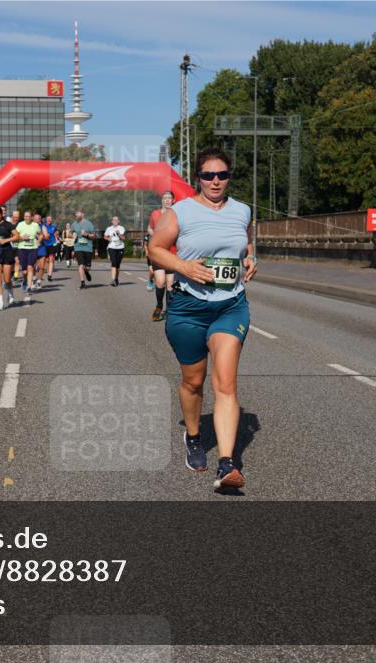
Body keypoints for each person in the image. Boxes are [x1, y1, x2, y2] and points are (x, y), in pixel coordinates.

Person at [149, 147, 257, 490]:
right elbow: (155, 249)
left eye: (222, 175)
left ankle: (226, 465)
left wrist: (250, 259)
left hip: (230, 305)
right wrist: (184, 267)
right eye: (208, 175)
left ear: (229, 177)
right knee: (193, 382)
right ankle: (194, 437)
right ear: (198, 178)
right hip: (188, 307)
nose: (215, 181)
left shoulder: (242, 210)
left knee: (225, 384)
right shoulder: (180, 212)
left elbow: (245, 244)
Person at [147, 191, 177, 321]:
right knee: (160, 281)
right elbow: (149, 228)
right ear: (162, 200)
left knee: (170, 284)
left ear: (173, 200)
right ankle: (159, 305)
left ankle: (169, 310)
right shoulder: (155, 214)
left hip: (172, 253)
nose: (167, 200)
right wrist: (155, 235)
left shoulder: (177, 214)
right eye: (165, 198)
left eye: (169, 198)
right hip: (158, 252)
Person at [15, 210, 43, 304]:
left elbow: (40, 234)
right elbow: (15, 236)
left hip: (33, 249)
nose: (26, 218)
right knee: (24, 271)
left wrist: (39, 240)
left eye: (28, 216)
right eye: (25, 216)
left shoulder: (35, 225)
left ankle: (29, 287)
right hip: (22, 249)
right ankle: (24, 280)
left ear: (31, 217)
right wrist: (22, 238)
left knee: (30, 267)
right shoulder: (20, 225)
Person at [71, 210, 97, 289]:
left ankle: (86, 271)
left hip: (88, 248)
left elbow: (94, 236)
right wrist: (73, 234)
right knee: (80, 264)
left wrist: (86, 234)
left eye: (78, 213)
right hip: (78, 247)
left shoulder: (89, 224)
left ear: (82, 214)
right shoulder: (74, 224)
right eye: (75, 214)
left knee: (87, 267)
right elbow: (71, 233)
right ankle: (82, 282)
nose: (76, 215)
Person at [103, 215, 127, 287]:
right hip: (111, 247)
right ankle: (113, 279)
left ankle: (116, 279)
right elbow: (105, 236)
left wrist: (119, 234)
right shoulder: (109, 228)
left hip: (120, 248)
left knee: (117, 265)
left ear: (118, 221)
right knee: (113, 263)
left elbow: (124, 238)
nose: (115, 221)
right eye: (114, 220)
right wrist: (108, 239)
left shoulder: (122, 228)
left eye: (116, 220)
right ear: (112, 221)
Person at [39, 214, 59, 283]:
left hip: (52, 244)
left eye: (50, 219)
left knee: (51, 259)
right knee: (45, 260)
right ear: (46, 220)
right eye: (48, 219)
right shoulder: (43, 226)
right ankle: (41, 274)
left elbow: (56, 232)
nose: (49, 220)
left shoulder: (54, 226)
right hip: (44, 245)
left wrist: (56, 234)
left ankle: (49, 275)